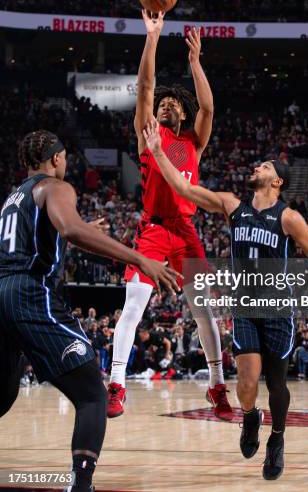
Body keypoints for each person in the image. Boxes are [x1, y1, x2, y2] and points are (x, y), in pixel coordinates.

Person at [143, 119, 308, 481]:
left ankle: (277, 440)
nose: (256, 167)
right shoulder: (232, 206)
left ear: (277, 181)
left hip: (279, 308)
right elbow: (185, 189)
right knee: (247, 387)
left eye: (264, 167)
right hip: (246, 308)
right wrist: (158, 152)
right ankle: (251, 417)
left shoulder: (289, 217)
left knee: (277, 384)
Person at [0, 130, 179, 492]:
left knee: (1, 396)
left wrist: (73, 232)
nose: (65, 164)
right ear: (55, 159)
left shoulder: (10, 199)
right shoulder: (55, 187)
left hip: (2, 293)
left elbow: (45, 237)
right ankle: (81, 485)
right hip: (29, 295)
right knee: (93, 395)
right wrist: (141, 259)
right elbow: (69, 228)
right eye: (64, 158)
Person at [108, 10, 232, 420]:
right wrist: (153, 36)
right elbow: (145, 85)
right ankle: (117, 384)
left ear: (181, 111)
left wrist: (196, 63)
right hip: (154, 229)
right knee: (133, 306)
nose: (162, 106)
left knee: (203, 311)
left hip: (186, 231)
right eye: (160, 104)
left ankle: (217, 386)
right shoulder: (149, 135)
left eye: (170, 103)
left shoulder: (193, 142)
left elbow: (209, 109)